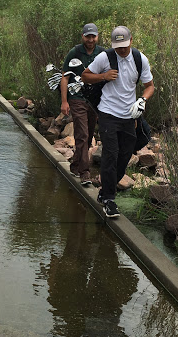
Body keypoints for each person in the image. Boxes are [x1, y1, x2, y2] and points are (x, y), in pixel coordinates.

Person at [82, 26, 154, 218]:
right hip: (107, 113)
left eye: (124, 45)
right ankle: (109, 201)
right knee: (110, 155)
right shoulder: (105, 58)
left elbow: (149, 86)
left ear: (131, 40)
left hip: (129, 115)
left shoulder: (140, 59)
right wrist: (103, 76)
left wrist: (142, 101)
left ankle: (105, 191)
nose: (121, 50)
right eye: (117, 46)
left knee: (125, 155)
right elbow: (85, 76)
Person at [61, 23, 104, 186]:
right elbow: (65, 77)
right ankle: (85, 173)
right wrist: (64, 102)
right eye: (88, 36)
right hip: (76, 97)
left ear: (97, 36)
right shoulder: (74, 52)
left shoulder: (102, 53)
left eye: (93, 36)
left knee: (88, 135)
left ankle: (75, 165)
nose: (91, 40)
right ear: (83, 36)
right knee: (82, 134)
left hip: (93, 100)